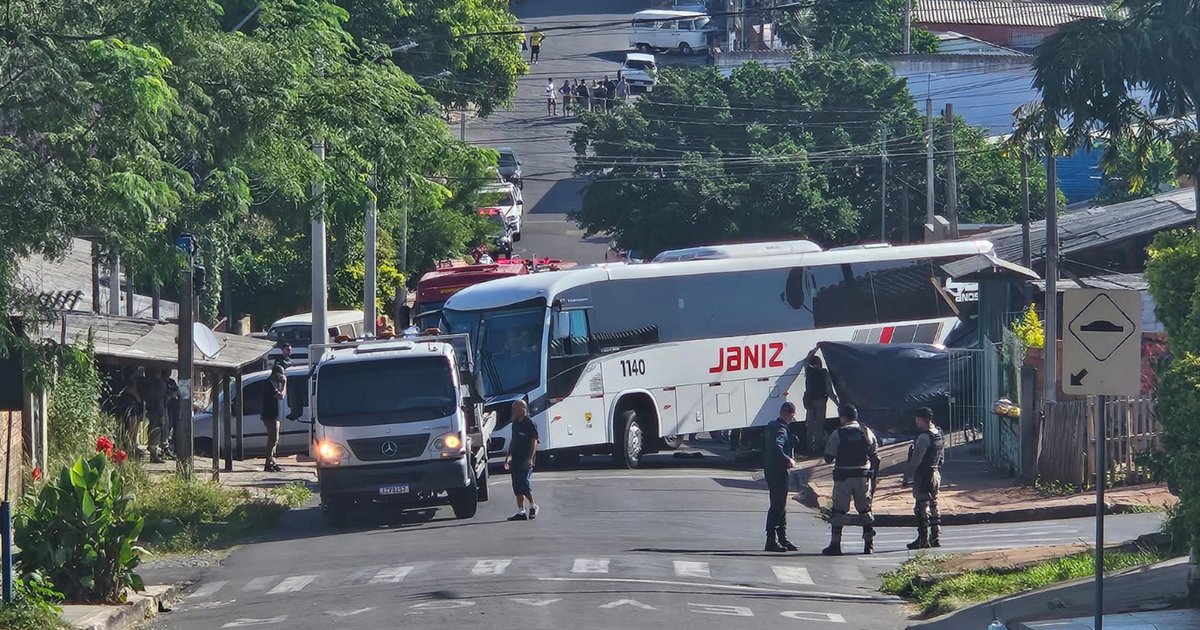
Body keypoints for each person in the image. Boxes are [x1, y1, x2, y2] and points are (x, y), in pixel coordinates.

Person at [822, 404, 880, 556]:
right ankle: (869, 545)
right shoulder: (866, 431)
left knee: (839, 511)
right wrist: (873, 478)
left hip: (843, 477)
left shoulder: (838, 433)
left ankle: (835, 545)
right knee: (865, 509)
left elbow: (828, 458)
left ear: (843, 417)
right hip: (863, 477)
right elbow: (875, 455)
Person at [904, 407, 945, 549]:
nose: (916, 422)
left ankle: (922, 539)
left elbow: (917, 459)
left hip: (925, 475)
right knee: (934, 505)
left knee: (921, 507)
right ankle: (935, 537)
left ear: (921, 419)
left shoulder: (923, 437)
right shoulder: (939, 433)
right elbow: (941, 457)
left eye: (916, 419)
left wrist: (907, 476)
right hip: (936, 473)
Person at [763, 401, 801, 552]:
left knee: (780, 505)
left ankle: (783, 539)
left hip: (771, 469)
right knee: (778, 505)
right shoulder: (780, 429)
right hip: (778, 471)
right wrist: (787, 459)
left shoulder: (772, 426)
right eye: (792, 416)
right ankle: (771, 540)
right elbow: (776, 447)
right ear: (790, 414)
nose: (792, 418)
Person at [504, 400, 540, 520]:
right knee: (517, 485)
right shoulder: (515, 424)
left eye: (514, 409)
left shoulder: (529, 423)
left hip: (526, 458)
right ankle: (521, 511)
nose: (512, 411)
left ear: (522, 410)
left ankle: (533, 505)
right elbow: (513, 440)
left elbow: (534, 441)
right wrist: (508, 455)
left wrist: (530, 458)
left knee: (524, 482)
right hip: (516, 458)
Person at [802, 353, 838, 453]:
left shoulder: (808, 370)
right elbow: (829, 390)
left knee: (810, 424)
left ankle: (809, 446)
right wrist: (837, 403)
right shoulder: (823, 372)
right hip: (820, 400)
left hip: (809, 401)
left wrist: (814, 350)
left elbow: (806, 360)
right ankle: (817, 446)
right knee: (819, 424)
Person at [260, 365, 286, 472]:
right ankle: (268, 463)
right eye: (281, 374)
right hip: (270, 416)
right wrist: (285, 384)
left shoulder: (275, 382)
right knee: (272, 439)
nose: (282, 376)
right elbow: (280, 396)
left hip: (275, 415)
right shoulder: (269, 383)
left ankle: (272, 461)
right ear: (276, 373)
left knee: (275, 440)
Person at [141, 369, 169, 463]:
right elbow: (160, 399)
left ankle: (154, 453)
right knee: (157, 431)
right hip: (158, 410)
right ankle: (154, 454)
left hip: (151, 409)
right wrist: (162, 413)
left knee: (153, 429)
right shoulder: (160, 383)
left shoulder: (148, 383)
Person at [116, 368, 143, 455]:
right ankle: (126, 447)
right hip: (125, 409)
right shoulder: (123, 386)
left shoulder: (133, 387)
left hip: (132, 410)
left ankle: (130, 447)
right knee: (127, 430)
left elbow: (139, 400)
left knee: (132, 430)